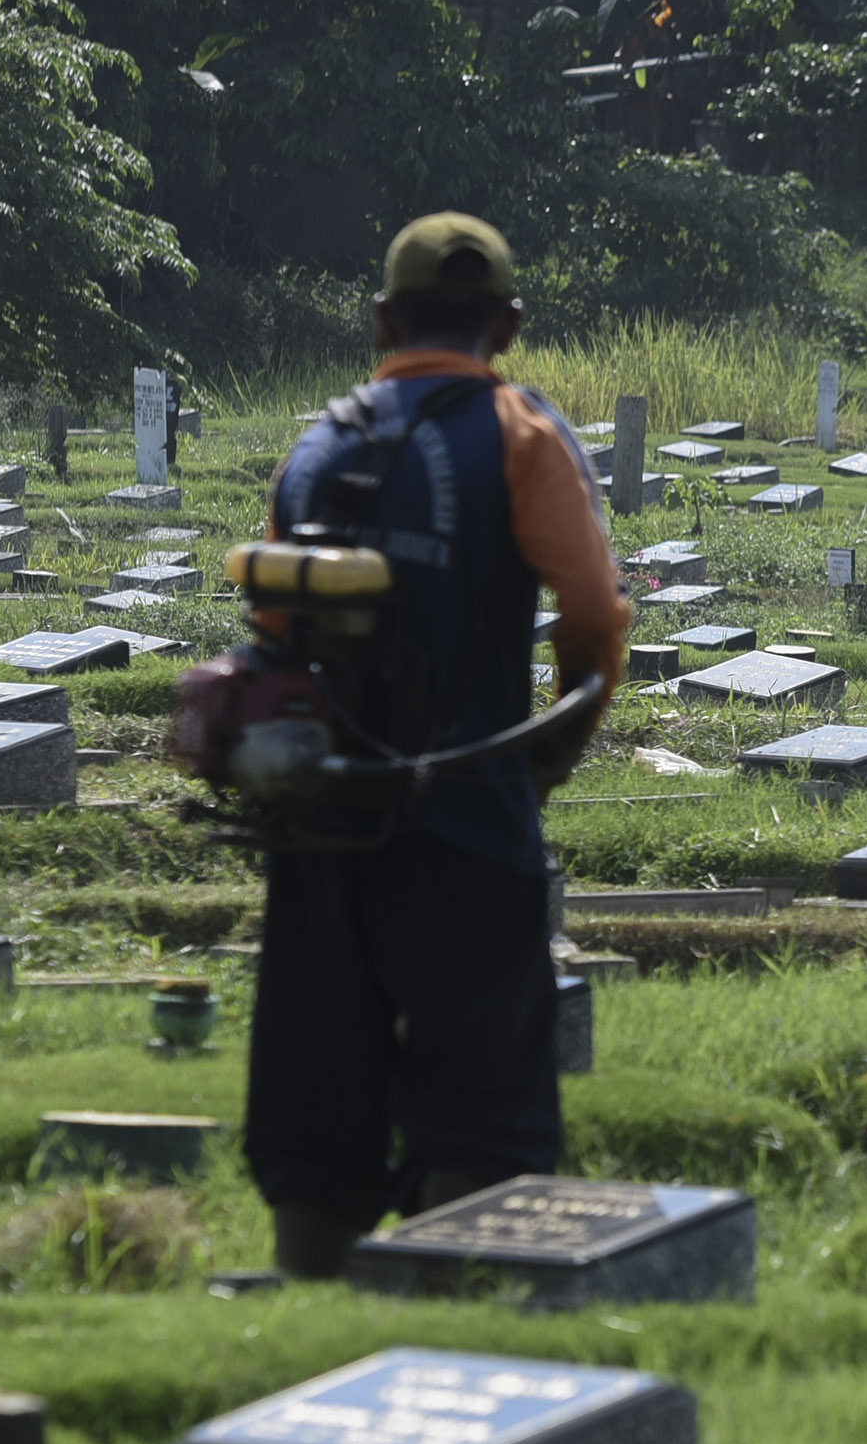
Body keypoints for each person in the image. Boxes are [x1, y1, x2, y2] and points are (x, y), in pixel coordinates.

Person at [245, 212, 626, 1278]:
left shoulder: (318, 444)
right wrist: (545, 759)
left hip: (317, 824)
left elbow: (272, 635)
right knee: (480, 1113)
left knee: (317, 1116)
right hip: (466, 822)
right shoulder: (521, 435)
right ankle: (446, 1319)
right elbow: (595, 621)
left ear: (381, 321)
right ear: (506, 326)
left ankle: (305, 1313)